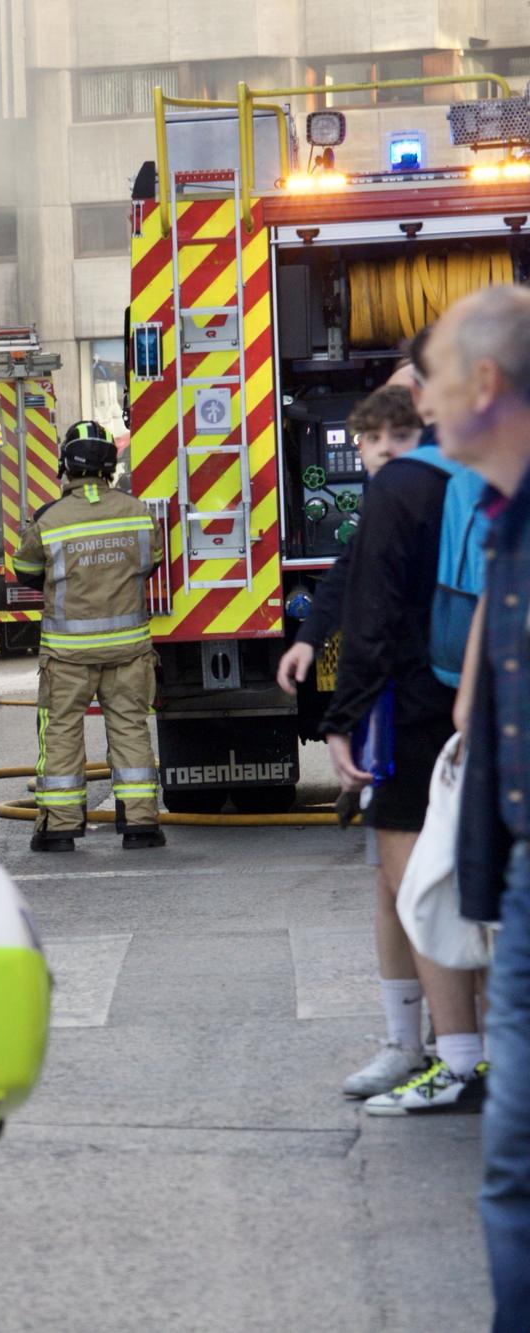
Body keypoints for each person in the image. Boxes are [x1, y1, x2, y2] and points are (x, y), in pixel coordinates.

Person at [317, 345, 488, 1113]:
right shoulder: (492, 471)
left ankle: (454, 1060)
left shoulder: (404, 487)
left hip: (418, 706)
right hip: (487, 699)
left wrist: (342, 717)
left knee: (412, 882)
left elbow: (372, 613)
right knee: (476, 877)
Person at [433, 284, 530, 1324]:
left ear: (487, 384)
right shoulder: (505, 525)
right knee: (509, 1165)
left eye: (436, 376)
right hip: (520, 879)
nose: (421, 395)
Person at [8, 419, 163, 852]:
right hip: (128, 651)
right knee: (131, 729)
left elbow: (27, 571)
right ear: (110, 466)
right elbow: (152, 562)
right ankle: (141, 825)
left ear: (65, 467)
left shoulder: (49, 521)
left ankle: (59, 828)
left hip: (67, 657)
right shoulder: (137, 513)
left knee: (60, 732)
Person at [277, 370, 429, 699]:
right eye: (374, 437)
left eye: (400, 434)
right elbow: (350, 568)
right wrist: (308, 639)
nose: (385, 448)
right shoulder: (384, 496)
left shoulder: (456, 489)